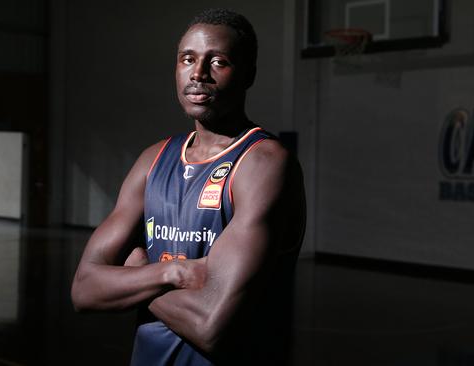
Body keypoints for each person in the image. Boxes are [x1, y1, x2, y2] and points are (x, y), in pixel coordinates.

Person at [71, 8, 306, 365]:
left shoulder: (263, 163)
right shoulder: (153, 160)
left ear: (248, 74)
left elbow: (211, 325)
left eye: (218, 62)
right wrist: (173, 272)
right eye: (187, 59)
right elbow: (84, 289)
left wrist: (135, 276)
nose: (198, 73)